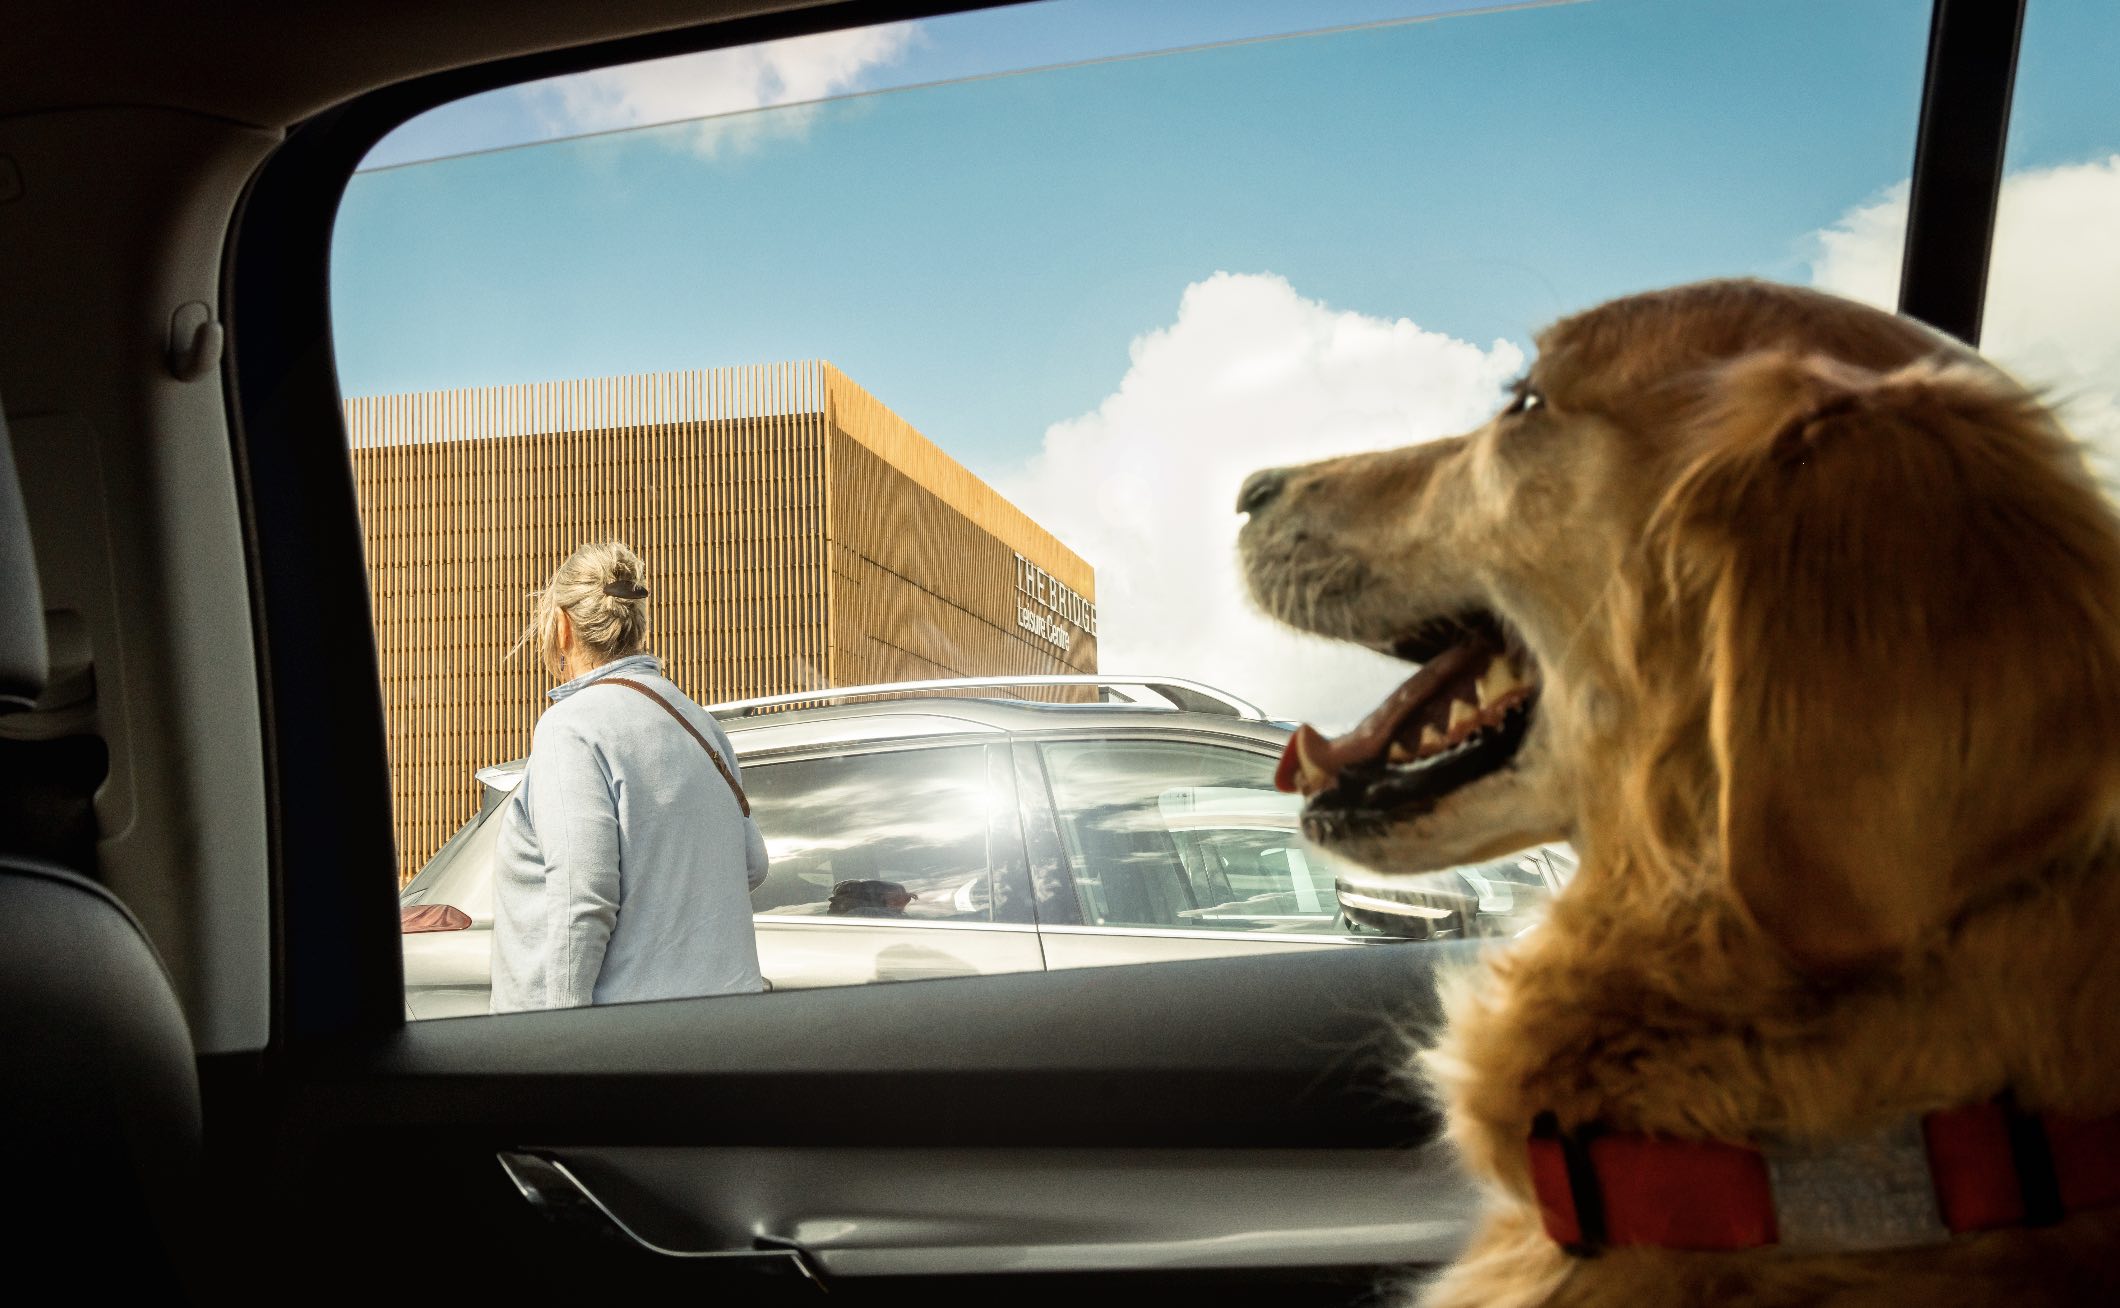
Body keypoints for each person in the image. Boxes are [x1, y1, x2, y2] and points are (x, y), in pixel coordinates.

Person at [490, 541, 768, 1012]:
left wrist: (553, 1044)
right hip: (727, 1028)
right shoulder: (698, 721)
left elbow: (582, 899)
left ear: (562, 627)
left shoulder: (571, 728)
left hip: (624, 1045)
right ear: (638, 624)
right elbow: (753, 866)